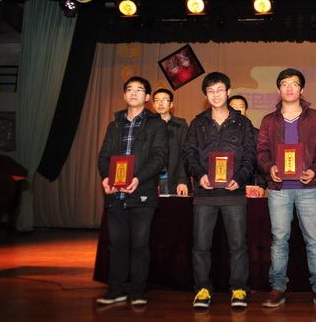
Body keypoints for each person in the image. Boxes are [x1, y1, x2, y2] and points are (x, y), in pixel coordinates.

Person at [257, 68, 316, 309]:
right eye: (284, 84)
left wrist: (315, 170)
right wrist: (269, 167)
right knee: (279, 240)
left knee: (314, 240)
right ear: (278, 89)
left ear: (302, 89)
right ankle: (277, 287)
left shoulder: (315, 117)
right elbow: (261, 152)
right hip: (278, 189)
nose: (289, 88)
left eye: (294, 84)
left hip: (307, 188)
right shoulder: (269, 120)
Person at [183, 72, 256, 309]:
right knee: (201, 246)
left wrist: (240, 178)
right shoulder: (197, 123)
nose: (215, 95)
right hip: (204, 194)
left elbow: (250, 154)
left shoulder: (242, 123)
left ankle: (239, 289)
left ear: (228, 92)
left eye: (220, 90)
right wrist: (199, 175)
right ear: (206, 95)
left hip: (234, 193)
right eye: (211, 91)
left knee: (238, 245)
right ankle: (202, 289)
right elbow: (189, 153)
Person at [96, 76, 168, 306]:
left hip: (142, 192)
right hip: (115, 194)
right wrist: (106, 178)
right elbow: (104, 156)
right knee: (116, 244)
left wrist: (138, 178)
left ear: (147, 97)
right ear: (124, 95)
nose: (134, 93)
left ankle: (137, 290)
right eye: (129, 89)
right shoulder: (114, 125)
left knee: (140, 244)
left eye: (139, 90)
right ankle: (116, 289)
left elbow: (159, 158)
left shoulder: (156, 124)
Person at [152, 88, 191, 196]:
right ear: (153, 105)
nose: (160, 103)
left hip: (174, 177)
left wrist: (182, 180)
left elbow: (185, 154)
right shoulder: (147, 125)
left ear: (171, 104)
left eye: (165, 100)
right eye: (157, 100)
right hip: (152, 178)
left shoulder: (180, 125)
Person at [229, 95, 266, 196]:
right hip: (224, 184)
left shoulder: (256, 134)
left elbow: (261, 161)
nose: (237, 109)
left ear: (246, 111)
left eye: (241, 106)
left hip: (249, 184)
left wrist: (261, 185)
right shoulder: (221, 133)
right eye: (233, 106)